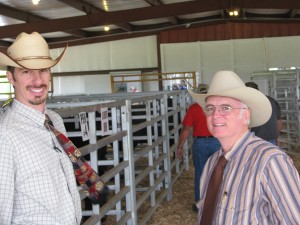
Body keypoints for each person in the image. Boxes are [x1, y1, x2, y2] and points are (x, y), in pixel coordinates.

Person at [189, 71, 300, 225]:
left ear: (246, 115)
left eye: (226, 108)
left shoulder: (270, 162)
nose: (215, 115)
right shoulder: (212, 163)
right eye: (210, 108)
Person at [0, 32, 82, 225]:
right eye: (26, 72)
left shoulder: (55, 120)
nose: (38, 81)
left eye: (43, 70)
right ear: (11, 78)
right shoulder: (5, 135)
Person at [177, 84, 220, 212]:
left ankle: (200, 203)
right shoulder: (216, 108)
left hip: (200, 142)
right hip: (216, 141)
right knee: (218, 172)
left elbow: (186, 129)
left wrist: (180, 146)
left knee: (200, 173)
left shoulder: (194, 108)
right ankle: (217, 203)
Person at [245, 81, 282, 145]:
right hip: (271, 138)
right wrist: (276, 136)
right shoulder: (271, 100)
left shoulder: (248, 103)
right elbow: (279, 121)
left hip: (255, 140)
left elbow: (245, 124)